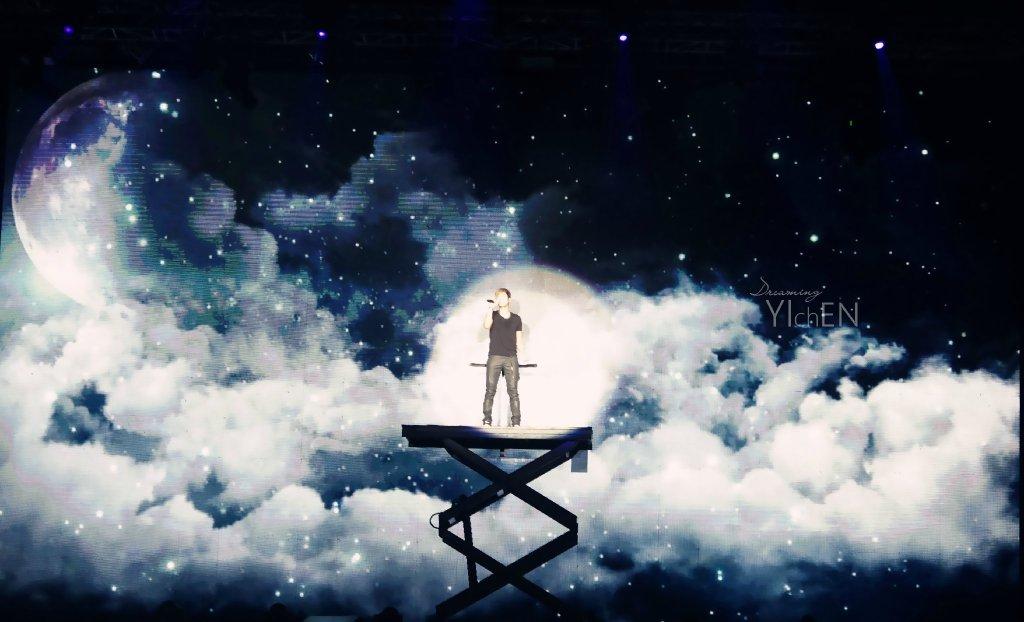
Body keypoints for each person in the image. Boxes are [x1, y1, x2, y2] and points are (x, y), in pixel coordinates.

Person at [481, 287, 523, 426]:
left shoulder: (516, 319)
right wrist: (490, 308)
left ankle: (516, 422)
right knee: (490, 390)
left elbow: (519, 340)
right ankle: (487, 420)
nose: (500, 299)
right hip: (495, 356)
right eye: (498, 297)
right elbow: (486, 326)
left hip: (511, 357)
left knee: (513, 391)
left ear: (509, 299)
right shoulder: (492, 314)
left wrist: (522, 355)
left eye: (503, 296)